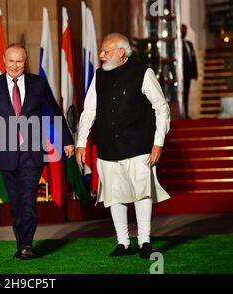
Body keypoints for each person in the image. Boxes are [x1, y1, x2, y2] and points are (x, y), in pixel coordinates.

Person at [75, 33, 171, 259]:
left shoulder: (143, 72)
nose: (101, 56)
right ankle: (123, 242)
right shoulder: (98, 76)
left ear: (121, 52)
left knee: (141, 193)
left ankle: (145, 242)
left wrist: (158, 142)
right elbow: (89, 110)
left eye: (105, 52)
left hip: (139, 145)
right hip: (108, 147)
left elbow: (161, 108)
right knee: (114, 195)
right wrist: (81, 143)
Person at [0, 43, 74, 260]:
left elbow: (54, 112)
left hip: (32, 152)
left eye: (19, 61)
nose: (15, 66)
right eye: (11, 61)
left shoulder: (38, 83)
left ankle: (26, 246)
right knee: (15, 201)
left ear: (26, 60)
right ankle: (20, 241)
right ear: (4, 60)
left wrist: (66, 141)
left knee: (28, 198)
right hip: (6, 152)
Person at [182, 24, 198, 119]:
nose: (184, 32)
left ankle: (186, 113)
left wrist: (195, 73)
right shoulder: (177, 45)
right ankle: (182, 113)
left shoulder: (189, 44)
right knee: (182, 95)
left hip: (188, 74)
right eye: (182, 30)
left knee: (187, 94)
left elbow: (193, 59)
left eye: (185, 31)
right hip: (180, 75)